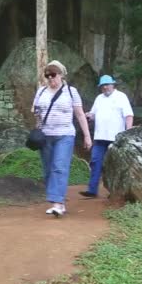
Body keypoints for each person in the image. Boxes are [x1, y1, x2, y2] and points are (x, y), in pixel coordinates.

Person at [32, 60, 92, 216]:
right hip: (45, 136)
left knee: (59, 167)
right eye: (47, 76)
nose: (50, 78)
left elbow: (79, 114)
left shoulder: (71, 92)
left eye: (53, 75)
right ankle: (56, 202)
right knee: (48, 170)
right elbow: (36, 112)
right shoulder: (41, 92)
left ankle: (58, 203)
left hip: (65, 135)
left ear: (61, 75)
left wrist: (87, 136)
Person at [79, 75, 133, 198]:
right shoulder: (99, 98)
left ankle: (116, 192)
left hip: (116, 138)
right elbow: (93, 114)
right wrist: (87, 115)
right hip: (99, 137)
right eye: (102, 85)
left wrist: (128, 133)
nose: (105, 87)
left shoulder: (121, 97)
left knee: (116, 165)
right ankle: (92, 190)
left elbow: (129, 115)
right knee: (95, 161)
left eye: (107, 84)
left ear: (113, 85)